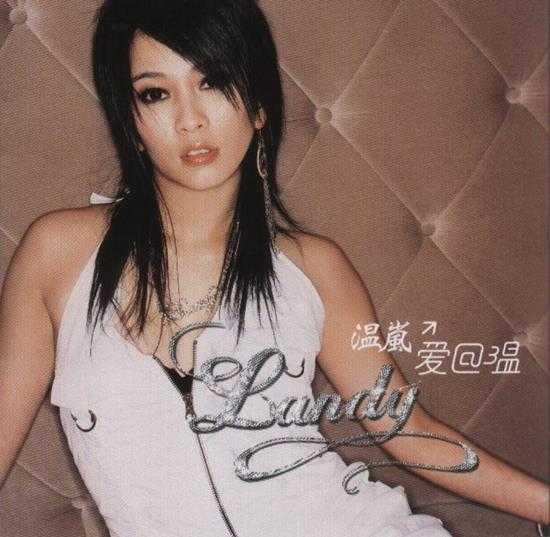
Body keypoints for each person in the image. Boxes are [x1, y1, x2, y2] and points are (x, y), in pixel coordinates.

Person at [0, 1, 548, 536]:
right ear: (131, 121)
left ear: (259, 106)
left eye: (213, 82)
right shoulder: (59, 252)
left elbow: (407, 432)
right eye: (156, 93)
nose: (190, 119)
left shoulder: (313, 267)